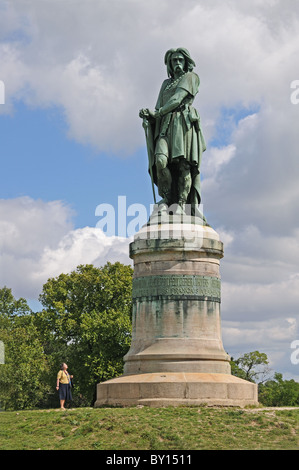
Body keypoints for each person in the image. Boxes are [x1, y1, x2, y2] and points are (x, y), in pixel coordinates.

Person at [139, 47, 206, 218]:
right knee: (161, 162)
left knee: (184, 165)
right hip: (165, 126)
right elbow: (157, 107)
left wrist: (158, 113)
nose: (177, 63)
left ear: (186, 62)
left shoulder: (191, 77)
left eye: (180, 60)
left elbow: (177, 99)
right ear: (169, 64)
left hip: (183, 123)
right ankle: (168, 200)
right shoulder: (165, 84)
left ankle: (182, 205)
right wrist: (149, 116)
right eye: (174, 60)